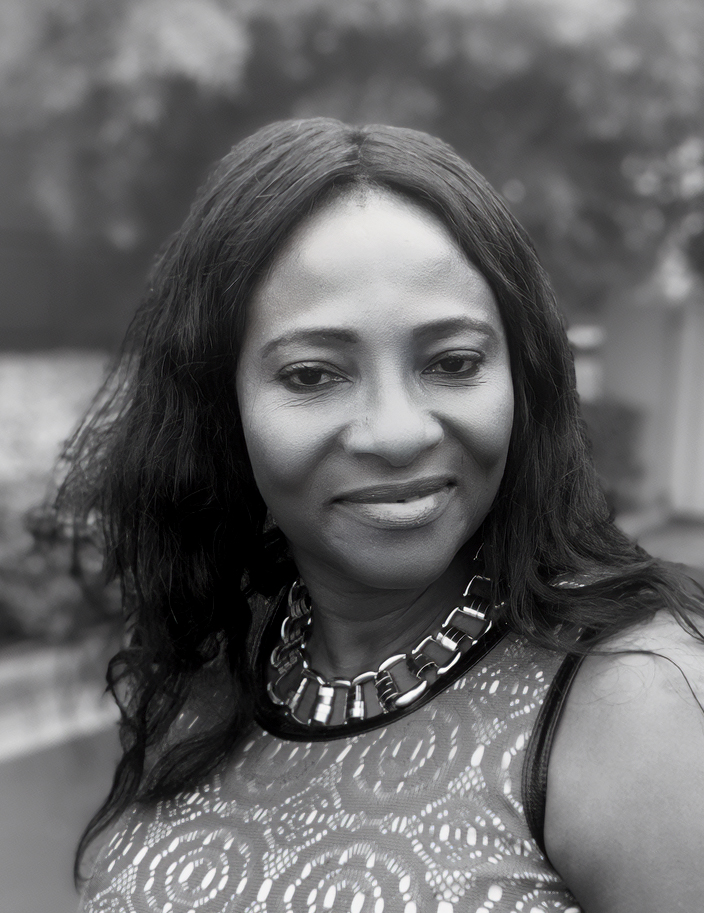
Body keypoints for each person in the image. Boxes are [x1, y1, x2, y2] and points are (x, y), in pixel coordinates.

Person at [61, 118, 704, 913]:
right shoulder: (212, 669)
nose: (397, 433)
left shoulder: (637, 700)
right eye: (313, 374)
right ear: (221, 405)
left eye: (453, 362)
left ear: (524, 378)